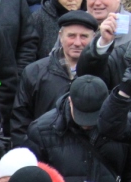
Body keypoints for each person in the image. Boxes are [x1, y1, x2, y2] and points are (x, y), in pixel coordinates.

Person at [15, 15, 99, 147]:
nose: (77, 42)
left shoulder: (102, 72)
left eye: (84, 36)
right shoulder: (34, 72)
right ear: (60, 36)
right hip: (43, 151)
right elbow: (20, 120)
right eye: (71, 36)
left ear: (94, 37)